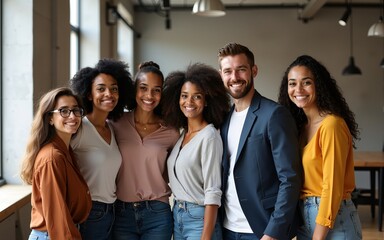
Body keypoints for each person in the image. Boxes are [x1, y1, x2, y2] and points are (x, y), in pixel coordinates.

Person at [217, 42, 302, 240]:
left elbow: (290, 179)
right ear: (220, 74)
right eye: (228, 71)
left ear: (254, 71)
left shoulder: (274, 115)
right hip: (227, 229)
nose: (235, 77)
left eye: (241, 70)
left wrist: (273, 232)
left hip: (262, 230)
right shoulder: (223, 120)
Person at [278, 55, 362, 240]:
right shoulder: (301, 128)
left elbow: (332, 187)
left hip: (333, 217)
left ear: (319, 86)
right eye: (292, 83)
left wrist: (318, 236)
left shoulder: (332, 125)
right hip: (305, 215)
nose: (298, 89)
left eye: (306, 82)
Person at [111, 61, 180, 240]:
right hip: (121, 212)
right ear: (134, 90)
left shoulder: (171, 131)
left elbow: (175, 168)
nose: (149, 95)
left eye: (156, 90)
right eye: (143, 88)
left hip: (157, 213)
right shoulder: (116, 124)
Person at [161, 63, 230, 240]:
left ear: (206, 101)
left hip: (199, 218)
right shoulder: (182, 135)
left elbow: (213, 191)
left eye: (197, 97)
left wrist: (206, 236)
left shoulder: (209, 136)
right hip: (178, 214)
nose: (189, 102)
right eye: (184, 96)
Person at [69, 59, 134, 240]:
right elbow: (57, 160)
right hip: (90, 212)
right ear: (89, 94)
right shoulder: (79, 127)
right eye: (101, 89)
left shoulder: (111, 128)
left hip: (113, 210)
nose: (109, 94)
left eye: (114, 89)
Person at [20, 87, 92, 239]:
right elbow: (57, 215)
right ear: (50, 118)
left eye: (75, 110)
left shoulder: (65, 150)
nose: (72, 116)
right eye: (64, 111)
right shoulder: (52, 158)